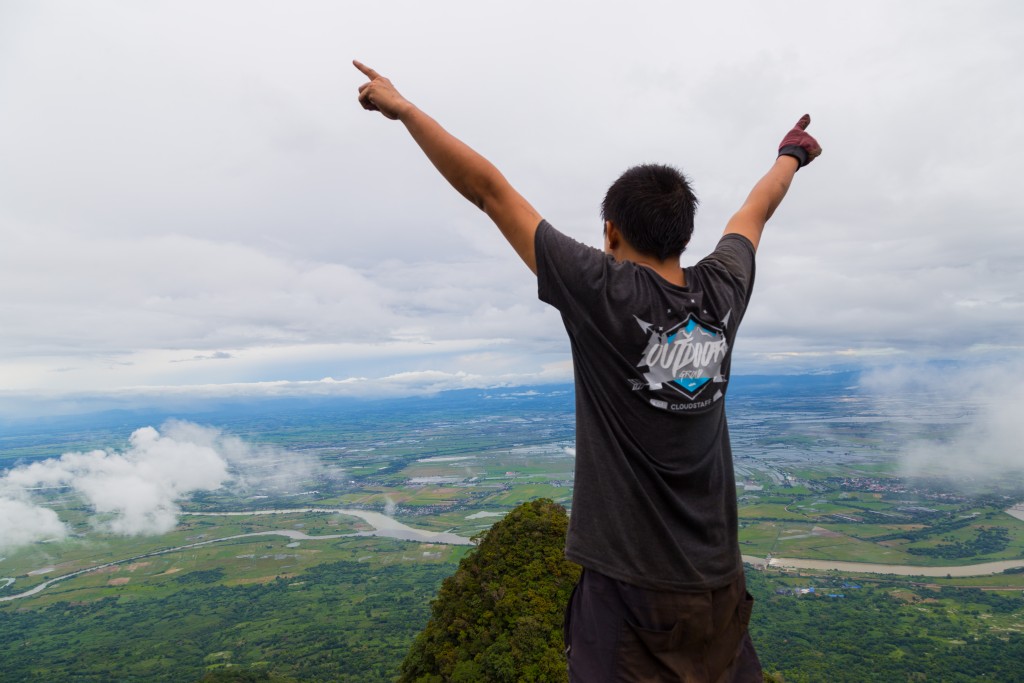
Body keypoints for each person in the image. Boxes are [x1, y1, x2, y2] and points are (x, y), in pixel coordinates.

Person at [354, 60, 821, 682]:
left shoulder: (604, 291)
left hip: (632, 591)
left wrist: (405, 109)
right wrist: (792, 153)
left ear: (610, 231)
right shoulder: (723, 289)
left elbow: (490, 191)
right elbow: (755, 211)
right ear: (684, 235)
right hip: (719, 585)